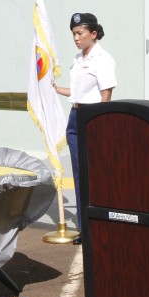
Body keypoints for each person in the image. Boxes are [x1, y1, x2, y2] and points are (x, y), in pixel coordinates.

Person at [54, 13, 117, 245]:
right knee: (80, 174)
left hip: (93, 116)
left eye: (80, 33)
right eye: (73, 34)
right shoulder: (78, 59)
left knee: (95, 173)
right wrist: (54, 88)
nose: (76, 38)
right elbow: (76, 92)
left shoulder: (103, 59)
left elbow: (106, 94)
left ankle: (100, 221)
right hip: (76, 116)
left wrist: (101, 123)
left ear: (94, 33)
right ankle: (85, 227)